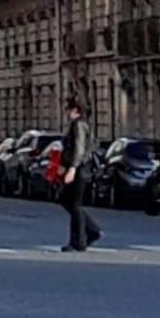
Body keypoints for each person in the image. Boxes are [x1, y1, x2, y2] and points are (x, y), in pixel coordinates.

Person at [58, 96, 102, 252]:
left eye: (68, 110)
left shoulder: (79, 125)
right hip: (76, 167)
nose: (66, 113)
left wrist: (72, 168)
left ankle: (78, 241)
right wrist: (63, 164)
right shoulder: (77, 125)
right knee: (67, 201)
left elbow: (79, 148)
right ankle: (91, 231)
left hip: (79, 169)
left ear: (75, 110)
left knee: (74, 204)